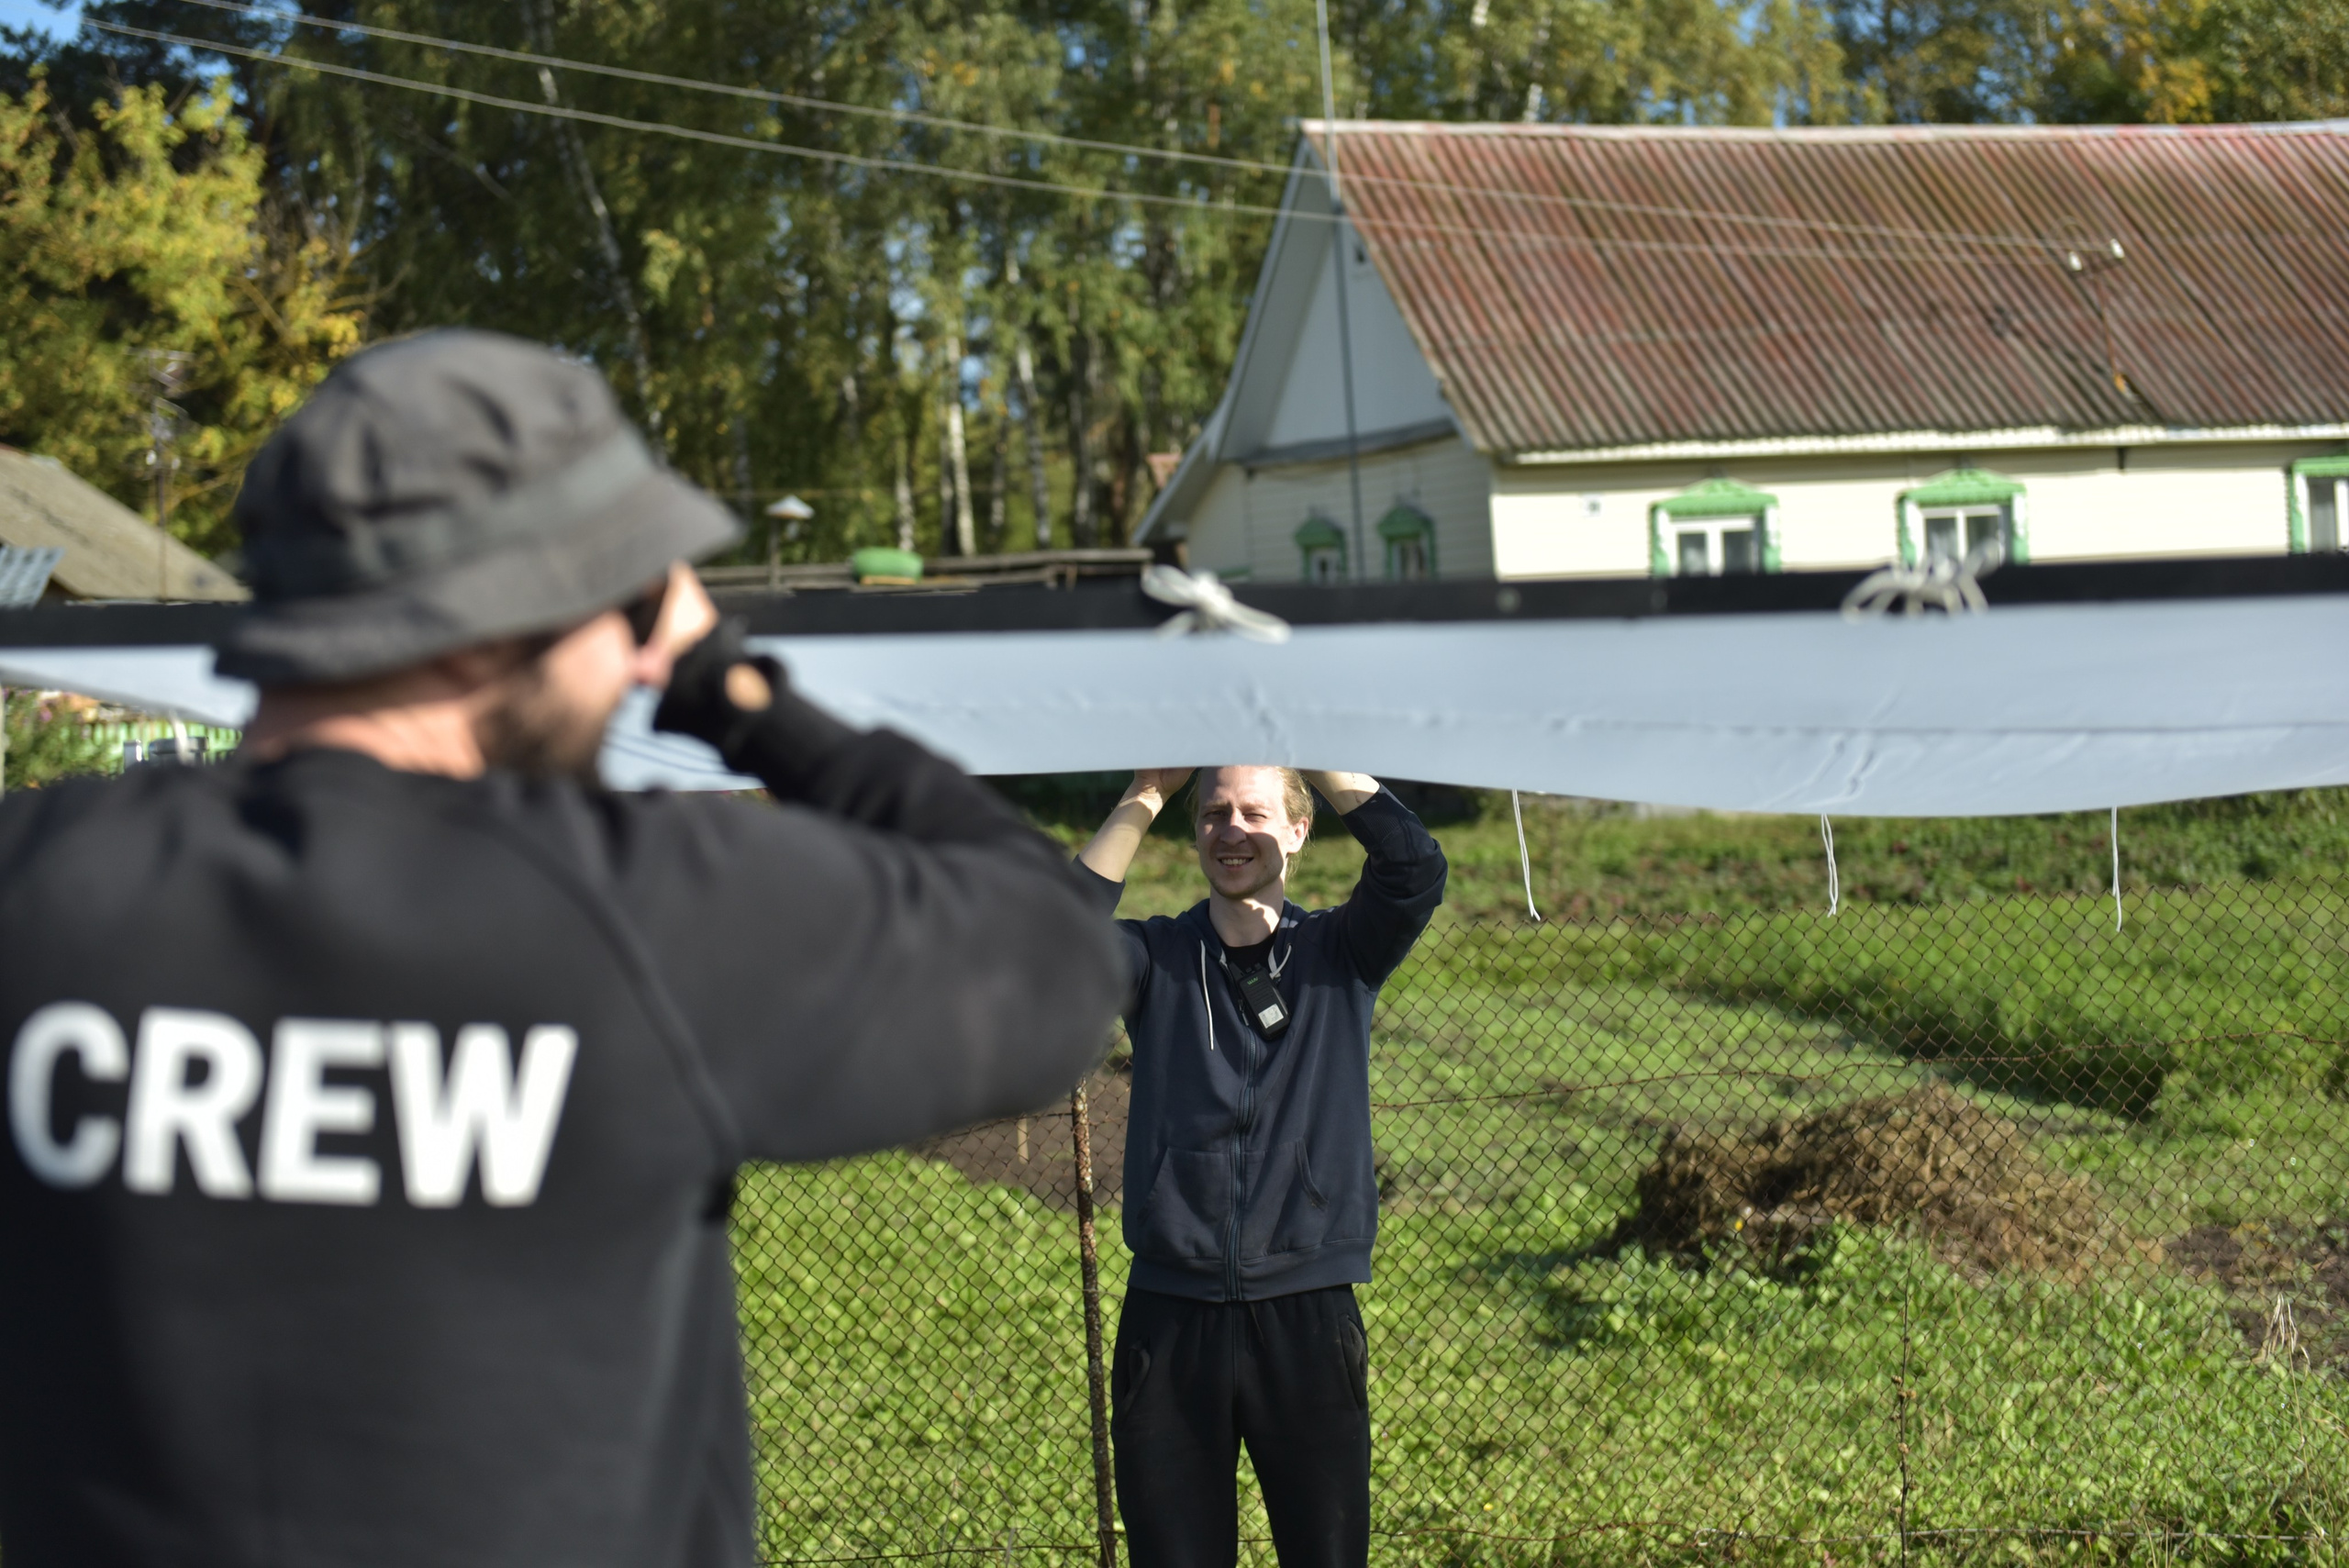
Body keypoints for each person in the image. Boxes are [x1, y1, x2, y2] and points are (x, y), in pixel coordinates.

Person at [0, 329, 1126, 1568]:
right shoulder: (649, 911)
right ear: (506, 617)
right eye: (630, 599)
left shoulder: (38, 884)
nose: (642, 650)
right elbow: (1051, 955)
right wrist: (729, 690)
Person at [1075, 764, 1447, 1568]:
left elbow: (1416, 867)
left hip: (1306, 1317)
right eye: (1213, 813)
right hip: (1170, 1321)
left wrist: (1319, 754)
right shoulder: (1155, 958)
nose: (1232, 830)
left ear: (1298, 830)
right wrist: (1145, 795)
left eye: (1254, 812)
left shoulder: (1341, 953)